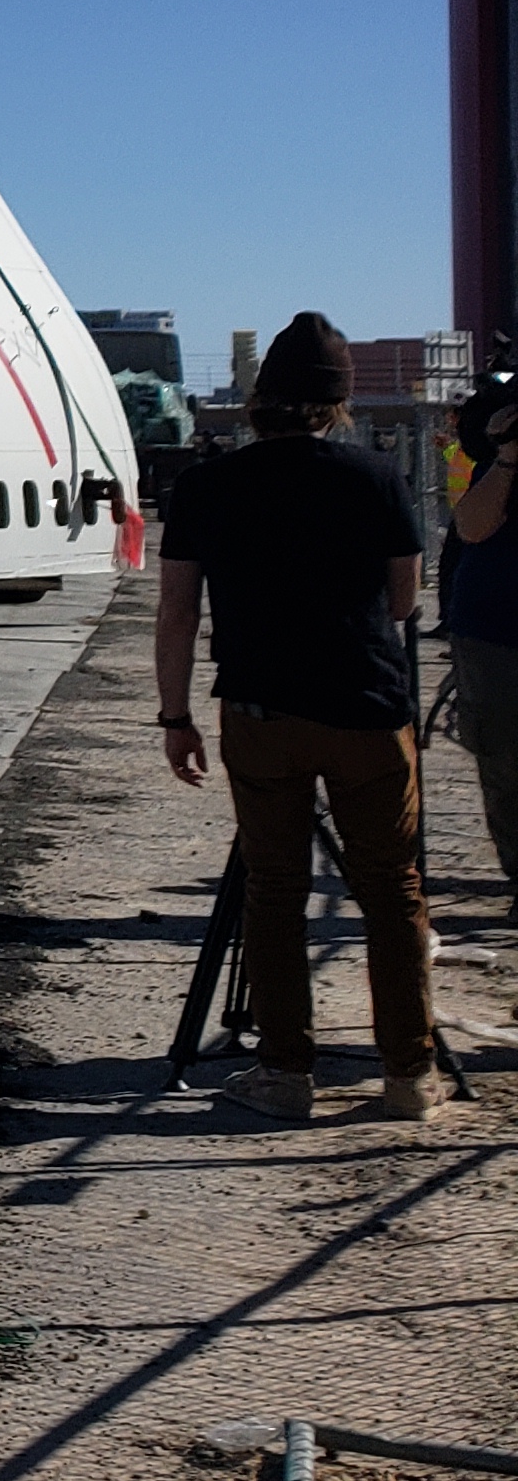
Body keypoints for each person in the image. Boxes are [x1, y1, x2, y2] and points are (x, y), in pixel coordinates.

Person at [155, 312, 441, 1121]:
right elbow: (403, 599)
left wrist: (175, 716)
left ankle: (285, 1072)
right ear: (337, 403)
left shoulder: (207, 486)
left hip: (261, 711)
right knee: (391, 889)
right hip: (366, 708)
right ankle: (408, 1073)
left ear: (257, 399)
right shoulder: (377, 477)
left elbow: (176, 613)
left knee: (275, 891)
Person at [436, 374, 518, 892]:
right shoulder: (501, 451)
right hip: (494, 628)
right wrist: (507, 457)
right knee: (505, 764)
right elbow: (472, 526)